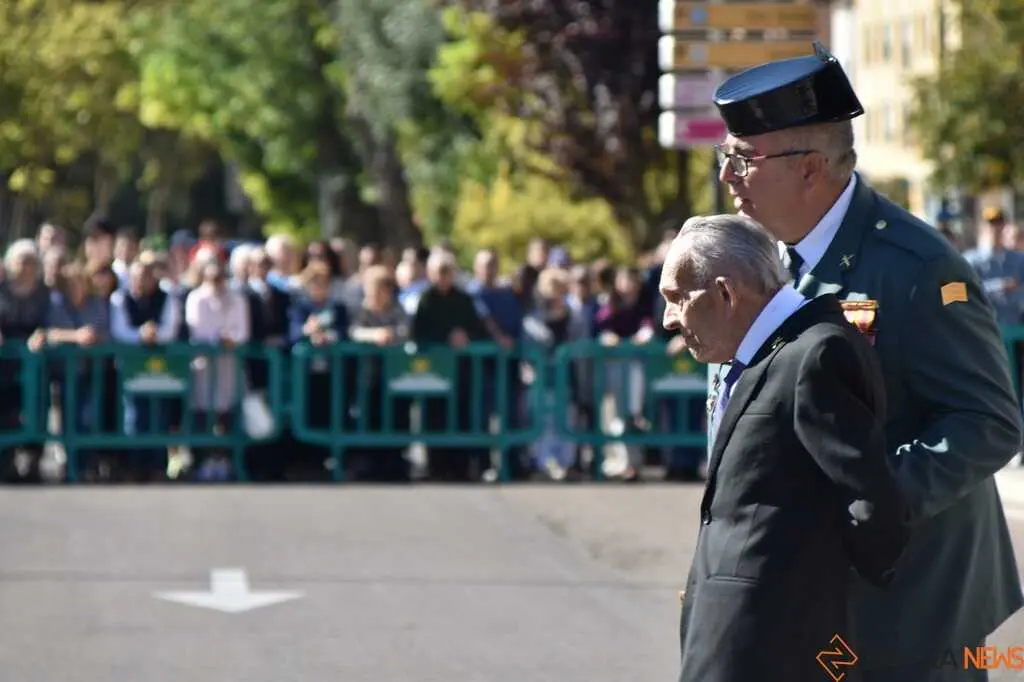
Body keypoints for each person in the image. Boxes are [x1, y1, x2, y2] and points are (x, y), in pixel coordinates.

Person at [709, 41, 1023, 680]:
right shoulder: (769, 261)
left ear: (810, 168)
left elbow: (988, 423)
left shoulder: (916, 269)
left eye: (743, 159)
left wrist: (872, 499)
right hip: (818, 600)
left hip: (911, 605)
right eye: (726, 156)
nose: (727, 177)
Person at [663, 213, 909, 682]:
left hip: (773, 647)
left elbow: (873, 506)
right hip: (740, 638)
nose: (668, 320)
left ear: (726, 293)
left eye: (676, 299)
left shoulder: (815, 353)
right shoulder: (768, 354)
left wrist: (812, 609)